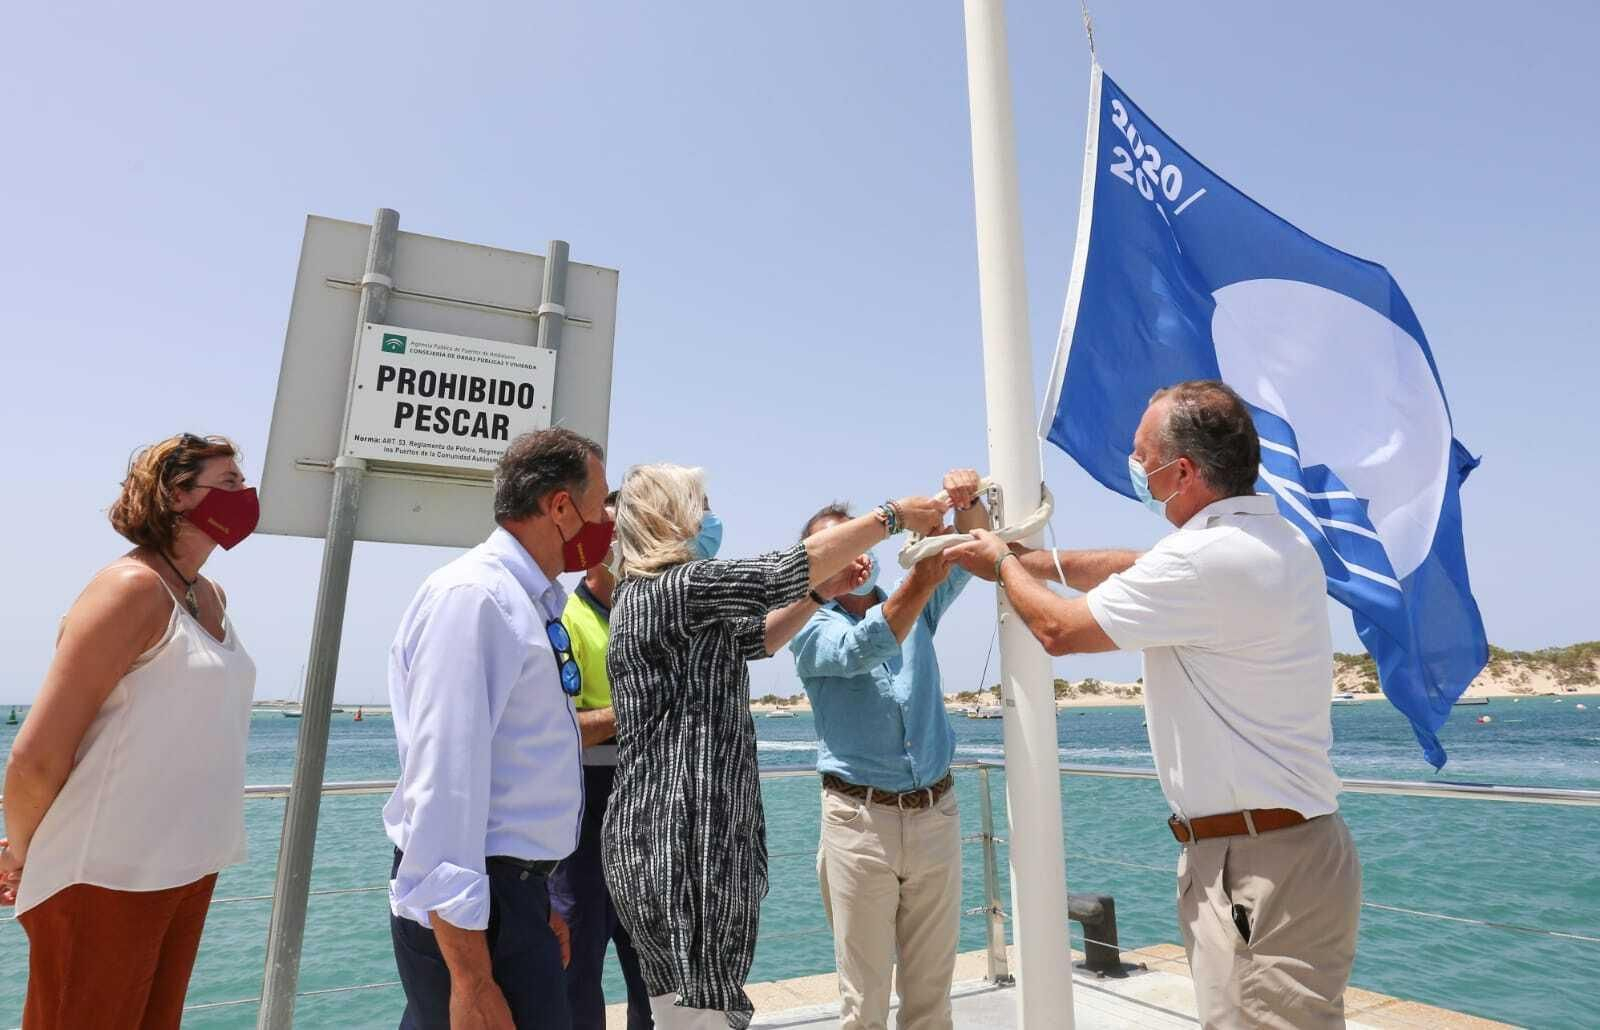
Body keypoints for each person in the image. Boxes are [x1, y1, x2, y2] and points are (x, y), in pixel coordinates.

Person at [947, 380, 1360, 1029]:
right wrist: (1034, 559)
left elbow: (1060, 631)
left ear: (1184, 471)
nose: (1136, 470)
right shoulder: (1271, 543)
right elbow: (1135, 565)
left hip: (1255, 866)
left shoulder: (1200, 563)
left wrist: (1004, 564)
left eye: (1143, 458)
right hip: (1292, 852)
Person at [602, 464, 948, 1029]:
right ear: (669, 518)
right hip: (679, 845)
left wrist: (818, 593)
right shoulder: (675, 590)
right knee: (697, 1016)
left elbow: (758, 636)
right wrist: (891, 517)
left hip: (673, 842)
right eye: (699, 505)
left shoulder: (659, 600)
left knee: (685, 1016)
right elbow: (771, 575)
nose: (707, 520)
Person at [1, 433, 258, 1030]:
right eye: (228, 484)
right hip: (106, 873)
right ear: (175, 493)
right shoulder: (129, 589)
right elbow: (36, 753)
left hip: (186, 865)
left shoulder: (209, 595)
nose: (245, 497)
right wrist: (20, 850)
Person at [385, 427, 612, 1030]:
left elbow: (518, 769)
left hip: (513, 901)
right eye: (600, 507)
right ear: (560, 507)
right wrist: (471, 978)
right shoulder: (476, 599)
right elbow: (443, 789)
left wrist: (537, 898)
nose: (607, 525)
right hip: (479, 914)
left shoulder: (527, 602)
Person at [788, 469, 987, 1030]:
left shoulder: (914, 599)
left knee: (931, 997)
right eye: (838, 549)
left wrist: (967, 500)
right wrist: (921, 580)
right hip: (859, 823)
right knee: (865, 1001)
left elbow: (971, 547)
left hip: (936, 814)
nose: (855, 559)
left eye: (860, 543)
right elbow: (860, 647)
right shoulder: (807, 628)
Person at [548, 491, 655, 1030]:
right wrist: (637, 706)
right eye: (610, 532)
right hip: (583, 824)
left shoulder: (654, 614)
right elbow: (555, 732)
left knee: (654, 978)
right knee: (576, 977)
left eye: (628, 534)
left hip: (648, 820)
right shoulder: (564, 619)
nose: (619, 544)